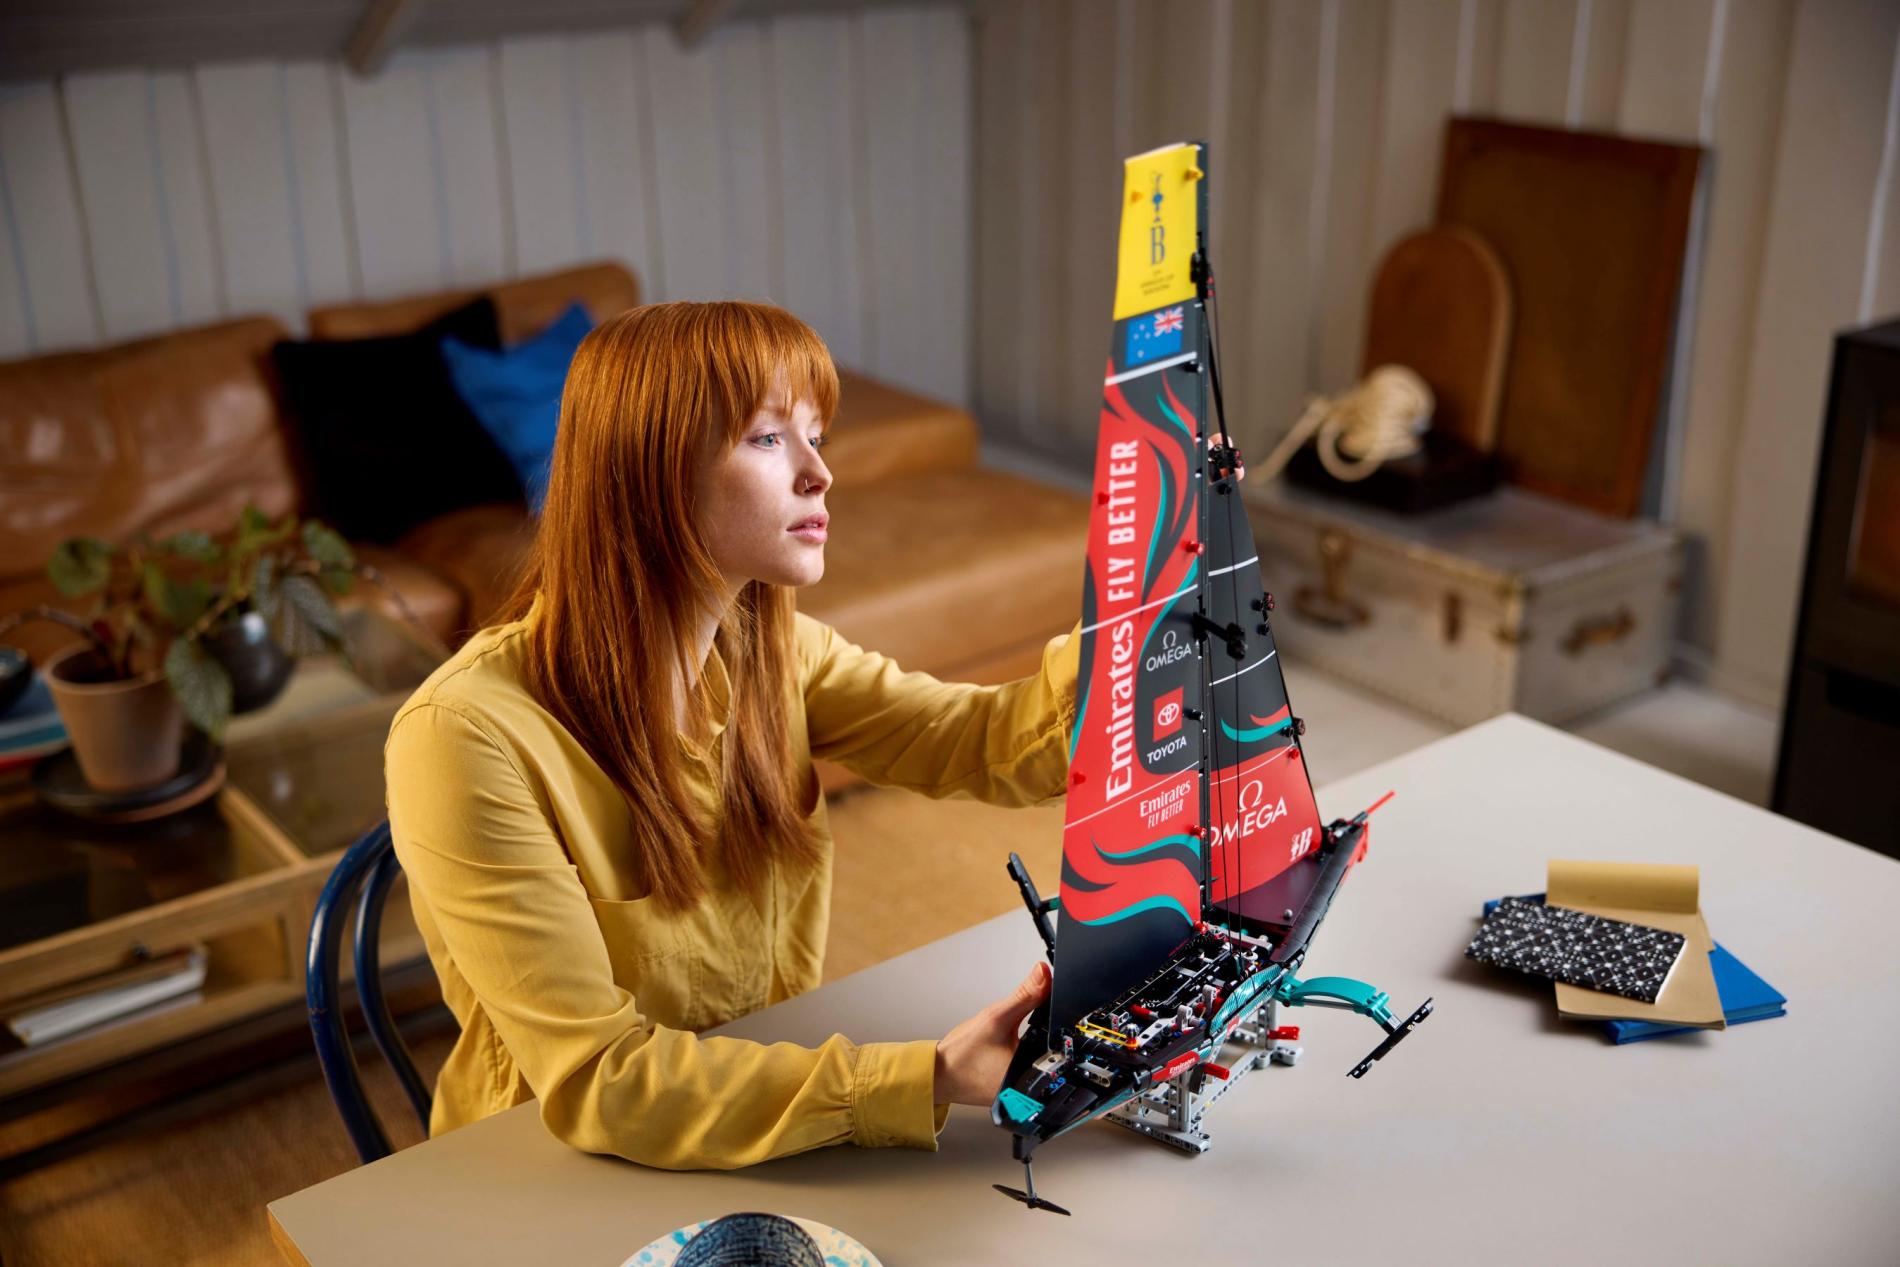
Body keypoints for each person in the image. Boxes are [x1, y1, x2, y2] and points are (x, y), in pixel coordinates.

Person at [384, 301, 1080, 1170]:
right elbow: (602, 1081)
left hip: (765, 1109)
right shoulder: (463, 738)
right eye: (768, 438)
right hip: (559, 1169)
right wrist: (927, 1076)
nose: (820, 472)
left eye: (816, 436)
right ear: (648, 472)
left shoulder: (777, 653)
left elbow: (992, 743)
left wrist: (1146, 606)